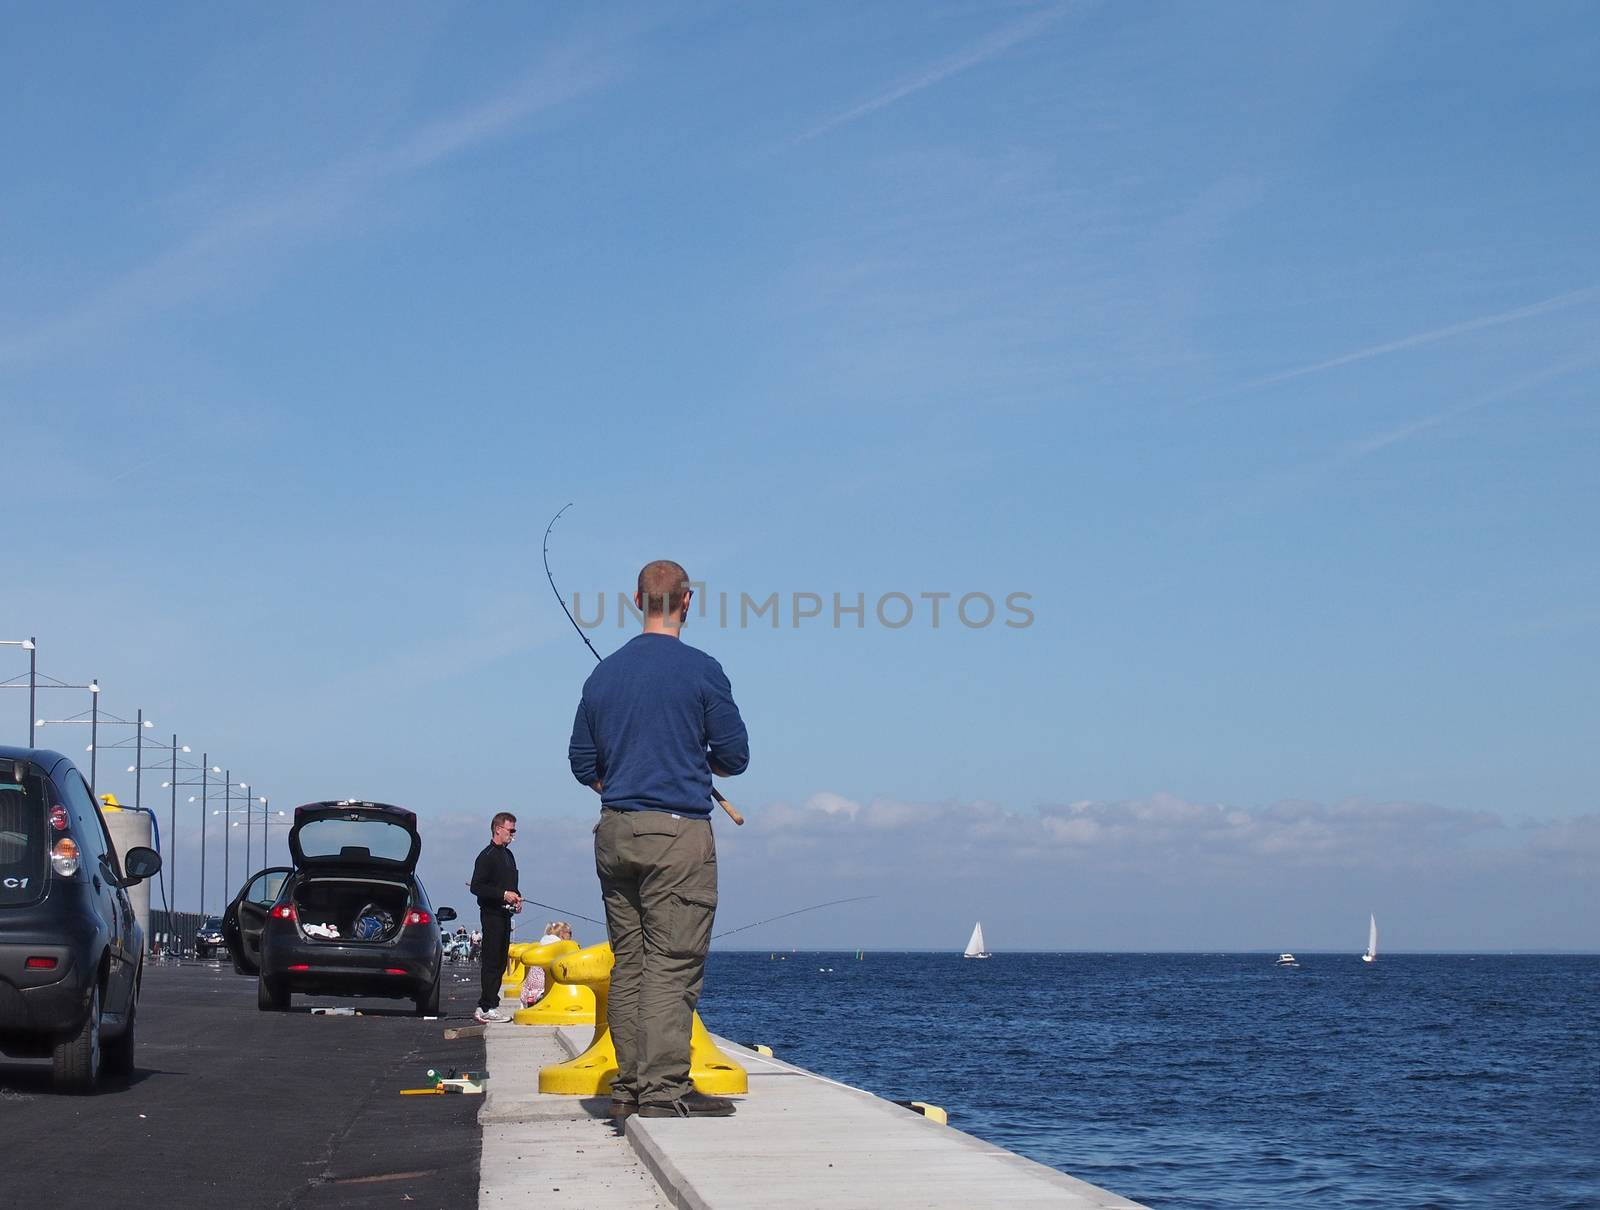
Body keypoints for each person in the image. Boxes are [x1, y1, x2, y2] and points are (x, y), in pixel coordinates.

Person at [569, 559, 749, 1119]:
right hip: (676, 834)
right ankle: (664, 1089)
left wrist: (622, 780)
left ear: (636, 600)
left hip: (615, 829)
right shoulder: (702, 670)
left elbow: (581, 762)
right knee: (672, 962)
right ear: (688, 602)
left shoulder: (604, 676)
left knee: (631, 960)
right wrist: (696, 763)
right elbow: (735, 757)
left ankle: (629, 1086)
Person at [468, 811, 522, 1023]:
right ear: (498, 829)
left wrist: (515, 898)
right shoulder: (486, 856)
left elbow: (510, 884)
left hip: (505, 914)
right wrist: (502, 894)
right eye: (511, 830)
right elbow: (477, 886)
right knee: (491, 960)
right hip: (491, 915)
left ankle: (491, 1003)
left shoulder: (508, 855)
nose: (513, 835)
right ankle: (485, 1006)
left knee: (501, 961)